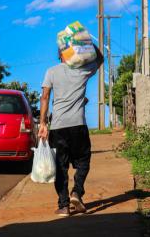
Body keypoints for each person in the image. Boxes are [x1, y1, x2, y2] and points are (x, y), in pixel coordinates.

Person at [38, 45, 103, 217]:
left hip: (58, 127)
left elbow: (44, 97)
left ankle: (64, 206)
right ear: (74, 54)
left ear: (59, 55)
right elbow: (100, 59)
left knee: (60, 167)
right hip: (78, 125)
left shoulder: (51, 72)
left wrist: (43, 123)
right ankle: (77, 192)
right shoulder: (82, 70)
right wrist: (88, 43)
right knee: (83, 161)